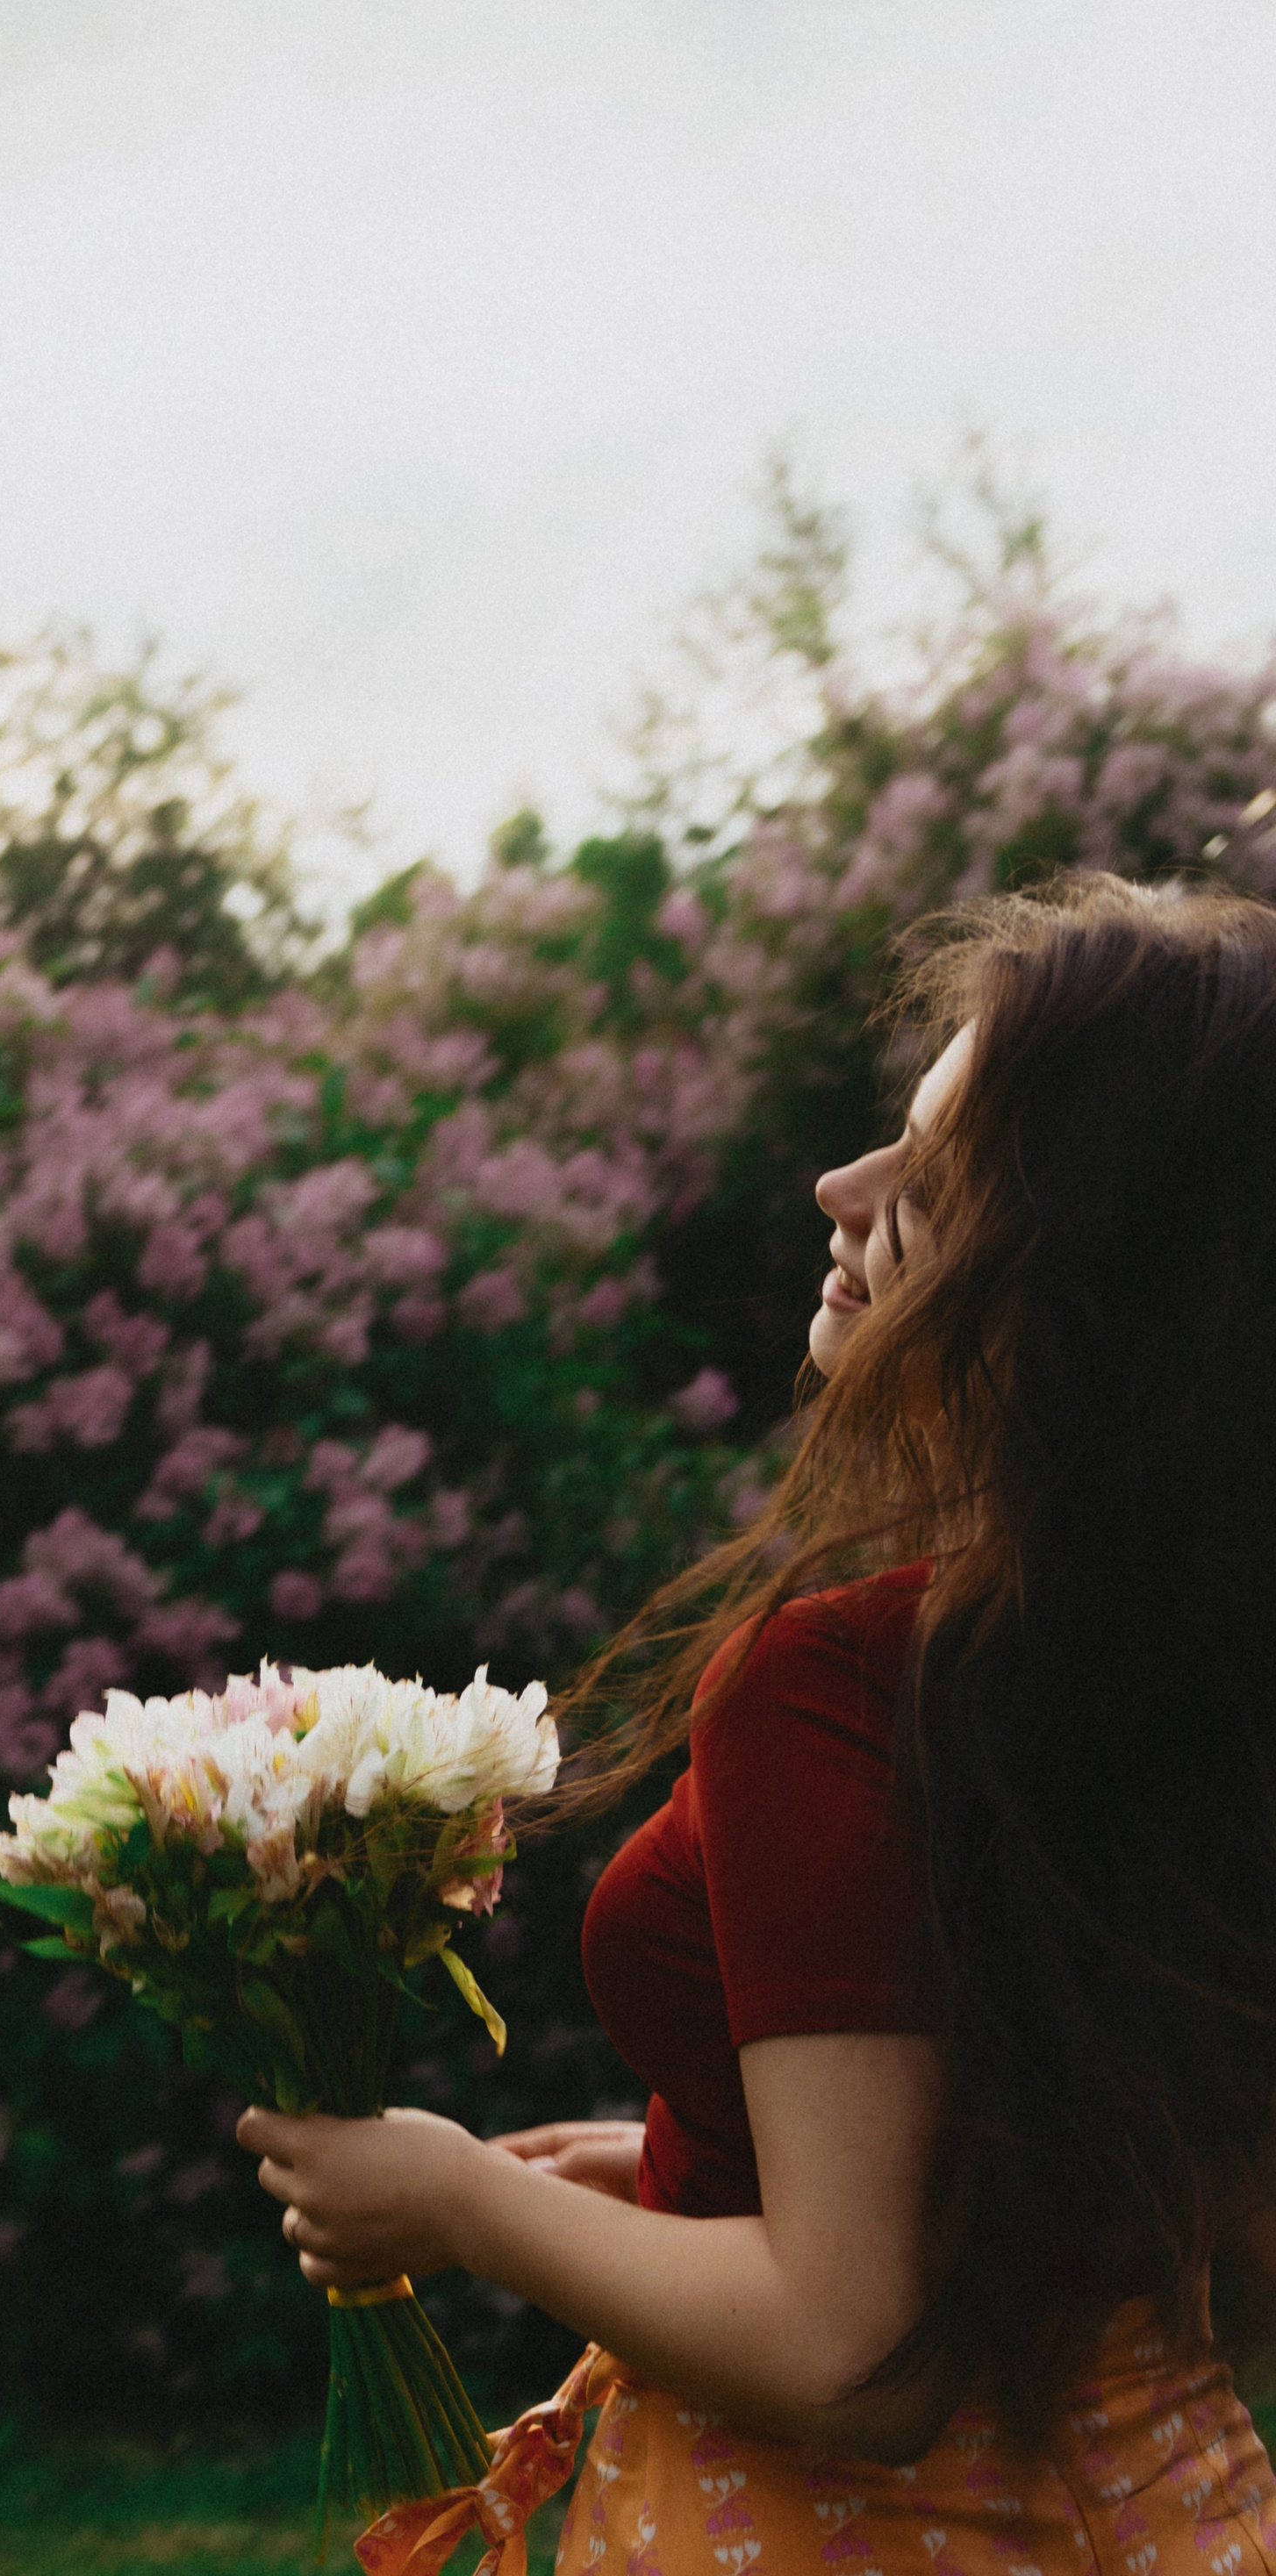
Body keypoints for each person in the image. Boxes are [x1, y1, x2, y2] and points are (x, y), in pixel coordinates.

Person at [238, 874, 1276, 2576]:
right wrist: (684, 2169)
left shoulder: (842, 1679)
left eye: (933, 1175)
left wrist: (452, 2196)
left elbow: (848, 2349)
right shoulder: (1176, 1673)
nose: (838, 1187)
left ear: (1084, 1268)